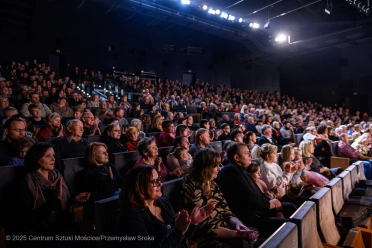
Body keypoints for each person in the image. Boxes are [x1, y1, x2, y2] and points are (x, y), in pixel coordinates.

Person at [116, 164, 215, 248]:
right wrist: (178, 230)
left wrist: (193, 223)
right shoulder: (130, 215)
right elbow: (176, 234)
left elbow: (180, 240)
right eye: (154, 181)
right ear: (139, 186)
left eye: (159, 179)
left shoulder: (162, 202)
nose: (160, 184)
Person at [180, 148, 259, 247]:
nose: (219, 169)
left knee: (258, 237)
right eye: (215, 166)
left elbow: (227, 213)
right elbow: (202, 227)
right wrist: (236, 234)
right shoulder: (192, 188)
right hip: (207, 238)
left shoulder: (213, 184)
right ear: (205, 167)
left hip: (227, 230)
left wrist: (239, 225)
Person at [217, 142, 296, 238]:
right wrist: (272, 205)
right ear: (236, 158)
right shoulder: (231, 170)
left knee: (289, 207)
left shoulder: (241, 170)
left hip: (259, 211)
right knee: (289, 225)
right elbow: (250, 198)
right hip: (249, 218)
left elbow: (256, 193)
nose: (250, 155)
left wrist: (270, 194)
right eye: (246, 153)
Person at [16, 143, 90, 240]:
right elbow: (29, 218)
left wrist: (75, 198)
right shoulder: (25, 183)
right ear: (36, 159)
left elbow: (67, 198)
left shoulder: (56, 175)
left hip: (65, 224)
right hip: (42, 232)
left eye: (53, 155)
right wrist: (55, 200)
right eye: (48, 156)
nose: (53, 159)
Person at [79, 142, 123, 219]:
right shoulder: (86, 173)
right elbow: (95, 196)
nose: (107, 154)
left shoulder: (110, 166)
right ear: (93, 156)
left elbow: (122, 183)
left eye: (106, 151)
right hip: (103, 205)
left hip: (118, 198)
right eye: (102, 152)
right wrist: (110, 180)